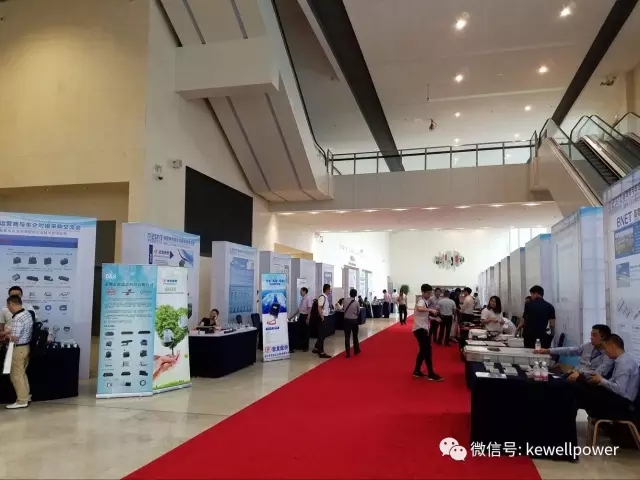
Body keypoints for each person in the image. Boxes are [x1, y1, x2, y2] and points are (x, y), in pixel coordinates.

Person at [574, 334, 640, 420]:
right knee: (582, 387)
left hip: (623, 404)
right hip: (618, 399)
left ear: (613, 346)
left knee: (580, 391)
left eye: (605, 348)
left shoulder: (624, 363)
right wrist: (599, 382)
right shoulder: (621, 360)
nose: (605, 351)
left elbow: (620, 390)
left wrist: (601, 380)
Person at [535, 324, 613, 380]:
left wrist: (580, 374)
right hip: (574, 374)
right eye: (591, 335)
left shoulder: (609, 354)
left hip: (585, 380)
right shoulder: (587, 346)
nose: (591, 337)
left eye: (594, 335)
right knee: (546, 380)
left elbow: (599, 373)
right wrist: (548, 350)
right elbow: (569, 350)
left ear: (603, 337)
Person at [5, 295, 33, 409]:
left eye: (8, 306)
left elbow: (15, 338)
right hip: (26, 347)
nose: (8, 308)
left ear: (11, 304)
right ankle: (26, 396)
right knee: (22, 374)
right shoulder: (27, 314)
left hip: (18, 348)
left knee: (16, 375)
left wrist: (6, 335)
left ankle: (22, 401)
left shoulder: (17, 318)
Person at [412, 283, 443, 381]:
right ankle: (430, 373)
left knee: (424, 351)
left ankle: (417, 371)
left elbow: (425, 315)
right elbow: (419, 308)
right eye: (428, 293)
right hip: (420, 329)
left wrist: (434, 318)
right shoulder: (421, 301)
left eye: (430, 293)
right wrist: (431, 310)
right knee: (427, 351)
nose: (429, 295)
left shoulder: (425, 302)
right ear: (423, 292)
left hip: (423, 328)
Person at [312, 284, 331, 359]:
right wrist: (322, 317)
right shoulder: (322, 297)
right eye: (329, 289)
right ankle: (321, 352)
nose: (330, 291)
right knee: (321, 335)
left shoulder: (325, 297)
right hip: (321, 318)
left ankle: (316, 348)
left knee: (322, 334)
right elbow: (319, 308)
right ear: (327, 289)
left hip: (324, 317)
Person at [342, 289, 361, 358]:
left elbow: (343, 309)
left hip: (346, 321)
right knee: (355, 336)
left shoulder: (345, 301)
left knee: (347, 337)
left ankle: (348, 353)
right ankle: (356, 350)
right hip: (354, 321)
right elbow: (358, 312)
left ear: (349, 294)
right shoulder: (356, 303)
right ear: (355, 295)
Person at [296, 287, 313, 352]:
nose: (300, 292)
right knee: (301, 331)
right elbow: (299, 309)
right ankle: (301, 346)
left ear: (304, 291)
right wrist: (291, 317)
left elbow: (310, 308)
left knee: (306, 332)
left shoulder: (308, 298)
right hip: (301, 316)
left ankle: (306, 347)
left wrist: (308, 318)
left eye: (301, 291)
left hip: (306, 316)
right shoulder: (302, 299)